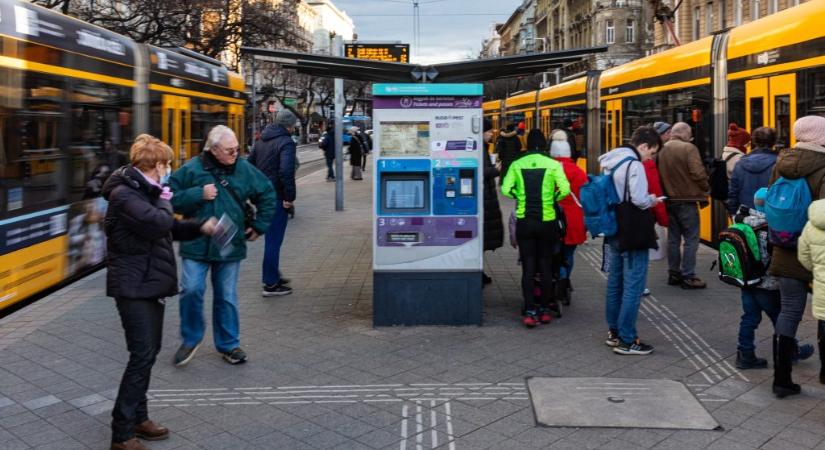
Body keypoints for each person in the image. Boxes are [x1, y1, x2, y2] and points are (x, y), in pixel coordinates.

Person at [103, 135, 217, 450]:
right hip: (133, 286)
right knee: (141, 355)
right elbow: (158, 221)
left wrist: (199, 226)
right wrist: (166, 197)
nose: (169, 170)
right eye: (166, 165)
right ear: (156, 165)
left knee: (148, 353)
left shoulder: (143, 192)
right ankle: (122, 432)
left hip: (149, 282)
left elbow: (166, 227)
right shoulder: (125, 196)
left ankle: (139, 417)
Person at [170, 125, 277, 366]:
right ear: (214, 149)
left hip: (229, 244)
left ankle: (229, 345)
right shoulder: (191, 170)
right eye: (230, 150)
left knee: (226, 296)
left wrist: (259, 226)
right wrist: (198, 193)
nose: (235, 154)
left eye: (237, 149)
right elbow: (168, 199)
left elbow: (268, 194)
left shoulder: (244, 170)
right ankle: (191, 337)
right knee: (191, 289)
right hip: (195, 243)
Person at [767, 115, 825, 398]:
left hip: (785, 248)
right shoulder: (823, 166)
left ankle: (781, 379)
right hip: (819, 254)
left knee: (789, 311)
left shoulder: (781, 163)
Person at [601, 126, 663, 355]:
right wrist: (652, 200)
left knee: (615, 283)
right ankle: (628, 340)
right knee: (633, 285)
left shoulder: (611, 160)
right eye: (652, 152)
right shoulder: (634, 164)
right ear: (644, 146)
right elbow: (638, 199)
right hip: (634, 229)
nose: (650, 157)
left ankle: (614, 332)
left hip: (614, 227)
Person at [502, 129, 570, 327]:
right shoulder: (553, 164)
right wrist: (552, 200)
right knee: (546, 266)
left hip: (525, 222)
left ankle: (530, 310)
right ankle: (544, 310)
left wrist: (519, 197)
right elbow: (565, 190)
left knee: (529, 268)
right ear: (545, 145)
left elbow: (506, 189)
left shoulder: (517, 164)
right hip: (546, 222)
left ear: (527, 144)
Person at [250, 110, 300, 297]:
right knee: (274, 241)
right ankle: (270, 284)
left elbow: (250, 164)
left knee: (272, 239)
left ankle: (273, 274)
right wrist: (289, 197)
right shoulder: (286, 142)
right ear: (289, 125)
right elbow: (286, 172)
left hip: (263, 196)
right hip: (277, 196)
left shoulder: (261, 139)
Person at [658, 122, 710, 289]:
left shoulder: (661, 149)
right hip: (686, 201)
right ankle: (688, 275)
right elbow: (697, 172)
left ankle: (673, 273)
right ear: (685, 134)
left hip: (669, 201)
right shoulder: (689, 148)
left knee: (673, 238)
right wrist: (706, 187)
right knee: (691, 239)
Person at [549, 138, 587, 305]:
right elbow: (585, 198)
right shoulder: (579, 172)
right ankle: (564, 282)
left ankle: (553, 281)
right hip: (574, 221)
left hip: (552, 219)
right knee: (568, 254)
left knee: (553, 253)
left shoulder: (549, 169)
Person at [797, 199, 825, 386]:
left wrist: (817, 271)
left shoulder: (812, 222)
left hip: (822, 287)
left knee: (824, 327)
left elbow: (803, 256)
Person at [727, 127, 777, 215]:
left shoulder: (740, 163)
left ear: (754, 141)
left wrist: (733, 213)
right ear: (773, 142)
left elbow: (733, 192)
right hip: (771, 216)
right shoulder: (779, 163)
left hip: (746, 215)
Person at [482, 119, 504, 285]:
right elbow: (480, 171)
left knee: (481, 241)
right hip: (484, 198)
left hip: (486, 197)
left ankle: (480, 271)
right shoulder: (480, 149)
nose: (491, 134)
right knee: (480, 241)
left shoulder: (483, 147)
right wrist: (495, 170)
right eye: (489, 131)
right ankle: (478, 272)